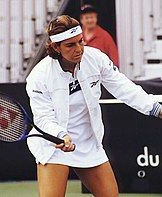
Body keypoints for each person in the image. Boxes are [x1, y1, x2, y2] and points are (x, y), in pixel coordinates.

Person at [26, 15, 162, 197]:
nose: (79, 49)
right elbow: (43, 118)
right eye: (70, 45)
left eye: (80, 42)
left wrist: (155, 107)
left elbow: (123, 87)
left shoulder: (96, 58)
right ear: (56, 47)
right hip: (53, 144)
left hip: (88, 142)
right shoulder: (38, 77)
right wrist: (61, 135)